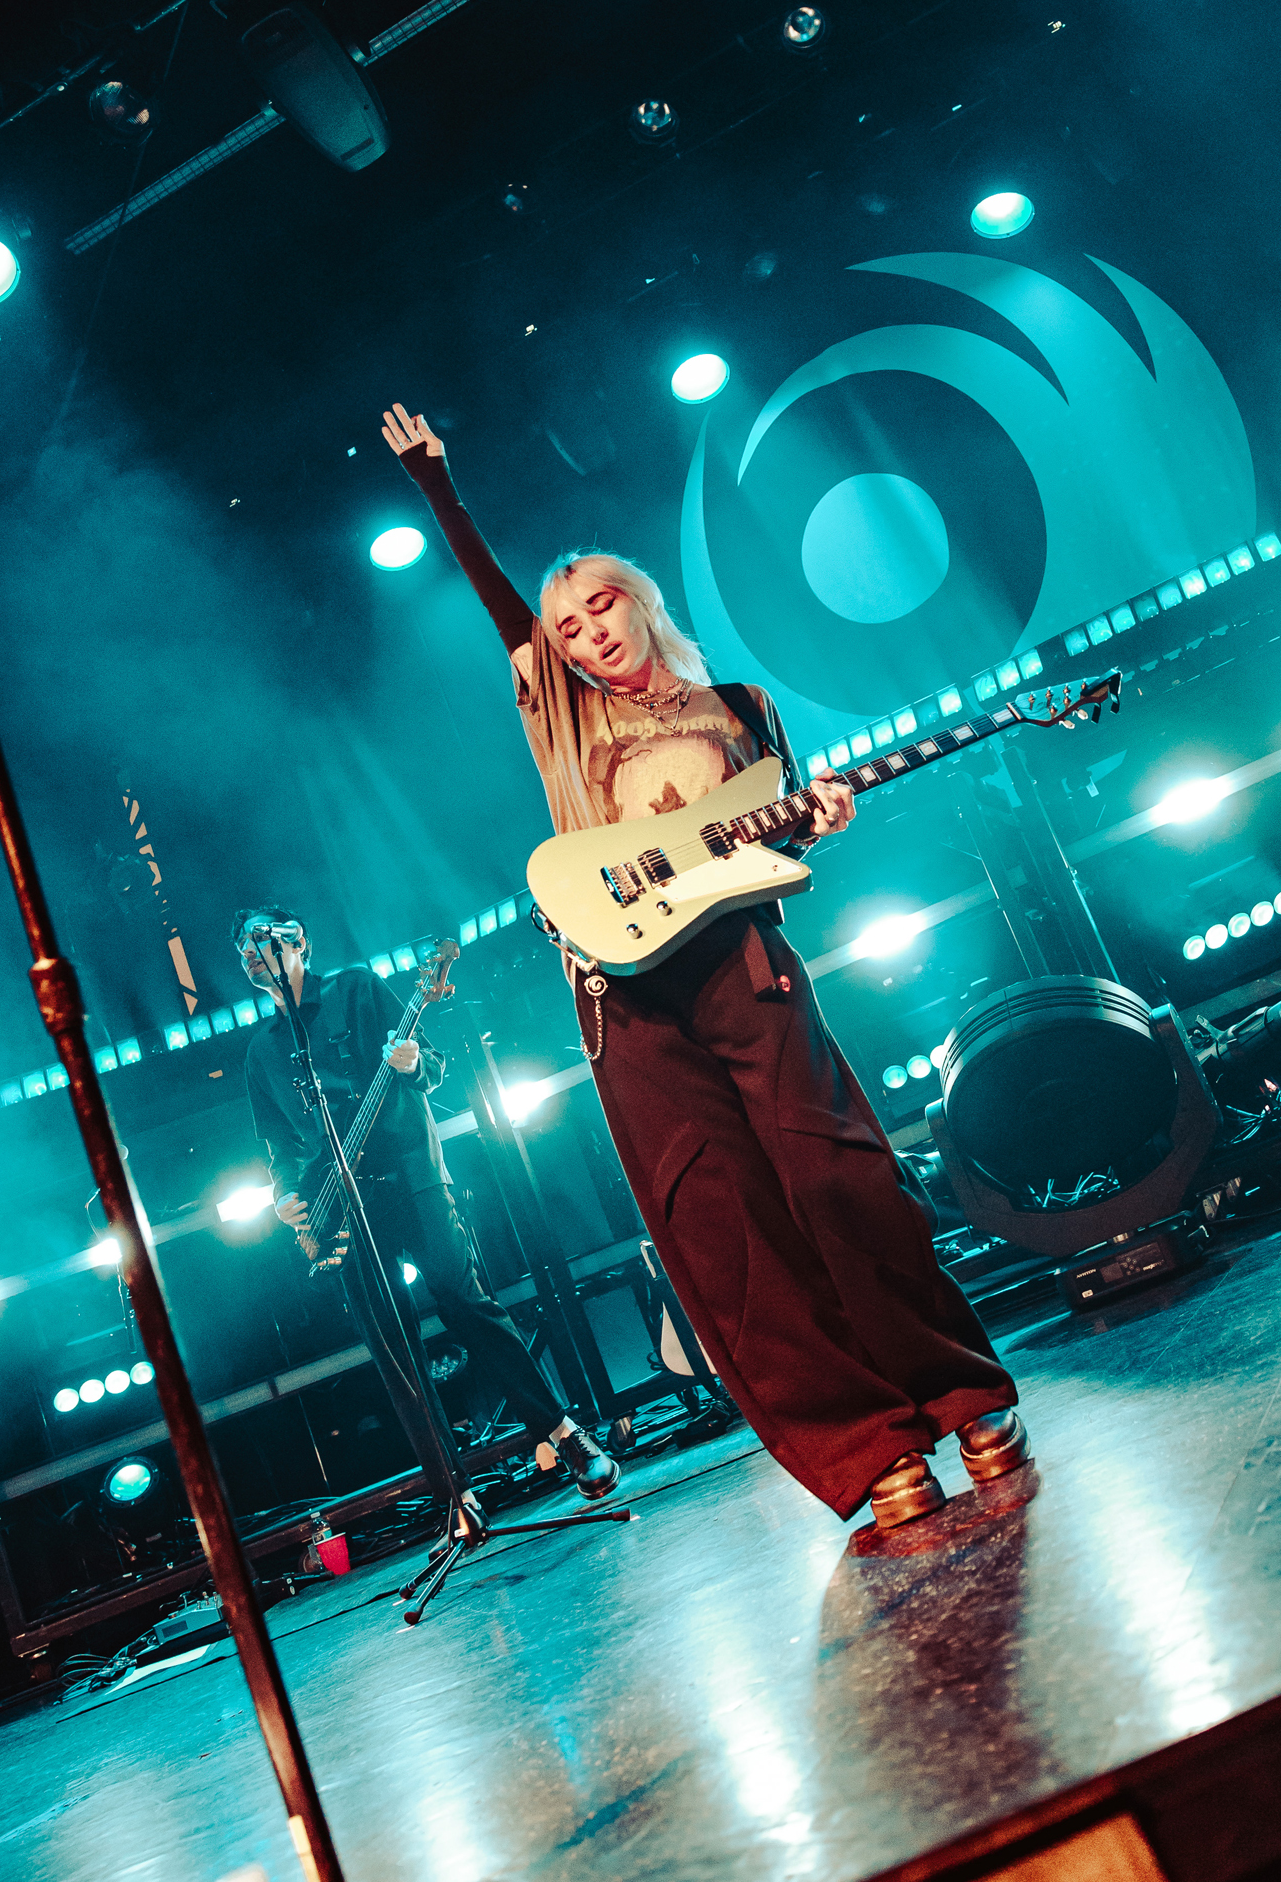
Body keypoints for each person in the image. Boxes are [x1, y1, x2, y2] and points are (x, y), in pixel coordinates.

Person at [380, 404, 1030, 1530]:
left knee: (841, 1178)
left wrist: (818, 821)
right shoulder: (562, 720)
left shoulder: (741, 708)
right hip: (629, 999)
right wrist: (440, 487)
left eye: (600, 605)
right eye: (567, 627)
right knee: (729, 1228)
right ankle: (869, 1445)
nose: (588, 633)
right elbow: (502, 610)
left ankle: (960, 1390)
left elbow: (778, 839)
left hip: (743, 965)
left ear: (638, 599)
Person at [233, 905, 620, 1499]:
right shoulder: (261, 1052)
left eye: (259, 940)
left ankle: (564, 1434)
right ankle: (452, 1493)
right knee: (392, 1346)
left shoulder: (357, 988)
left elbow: (432, 1065)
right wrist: (284, 1193)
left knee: (465, 1302)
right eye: (242, 950)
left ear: (297, 941)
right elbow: (279, 1145)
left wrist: (414, 1064)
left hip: (411, 1175)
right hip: (341, 1205)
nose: (250, 954)